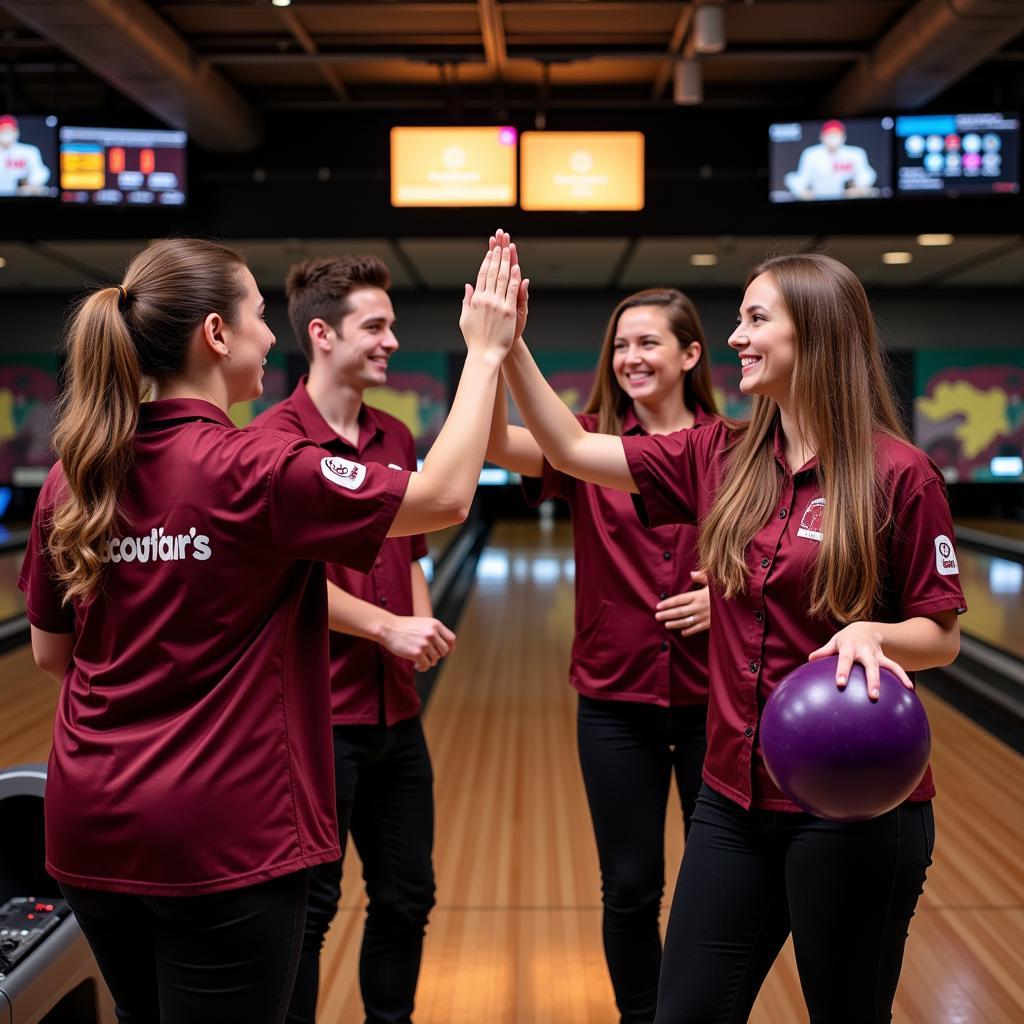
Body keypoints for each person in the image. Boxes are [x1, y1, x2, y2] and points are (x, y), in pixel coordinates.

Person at [18, 233, 520, 1023]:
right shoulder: (251, 466)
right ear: (216, 334)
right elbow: (451, 496)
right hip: (225, 837)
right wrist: (486, 353)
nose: (270, 334)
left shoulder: (72, 474)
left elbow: (54, 655)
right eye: (257, 314)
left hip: (89, 827)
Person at [500, 249, 963, 1023]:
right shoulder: (721, 454)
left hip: (852, 804)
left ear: (814, 335)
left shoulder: (899, 474)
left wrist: (877, 635)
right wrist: (508, 345)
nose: (736, 338)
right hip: (733, 800)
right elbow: (572, 451)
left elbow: (940, 634)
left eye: (756, 320)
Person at [485, 262, 716, 1023]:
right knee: (629, 885)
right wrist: (503, 347)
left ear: (690, 355)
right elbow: (494, 443)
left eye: (650, 342)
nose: (632, 358)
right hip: (615, 701)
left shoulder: (734, 450)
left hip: (719, 701)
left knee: (719, 882)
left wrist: (729, 598)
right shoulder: (583, 442)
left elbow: (783, 557)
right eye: (621, 345)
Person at [251, 255, 451, 1024]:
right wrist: (386, 626)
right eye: (377, 326)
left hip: (396, 718)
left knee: (408, 896)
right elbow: (279, 577)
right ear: (322, 334)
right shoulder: (272, 442)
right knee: (312, 906)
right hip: (313, 720)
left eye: (392, 325)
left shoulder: (394, 431)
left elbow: (417, 550)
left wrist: (421, 628)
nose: (392, 340)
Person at [783, 119, 878, 200]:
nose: (833, 138)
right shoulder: (811, 154)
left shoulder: (856, 153)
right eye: (830, 135)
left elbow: (866, 175)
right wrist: (801, 192)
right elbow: (800, 179)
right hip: (819, 200)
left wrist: (860, 188)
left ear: (843, 137)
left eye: (836, 134)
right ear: (822, 137)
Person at [0, 114, 52, 196]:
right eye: (3, 131)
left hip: (22, 196)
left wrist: (31, 182)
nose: (6, 135)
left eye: (9, 131)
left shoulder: (29, 151)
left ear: (16, 132)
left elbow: (41, 172)